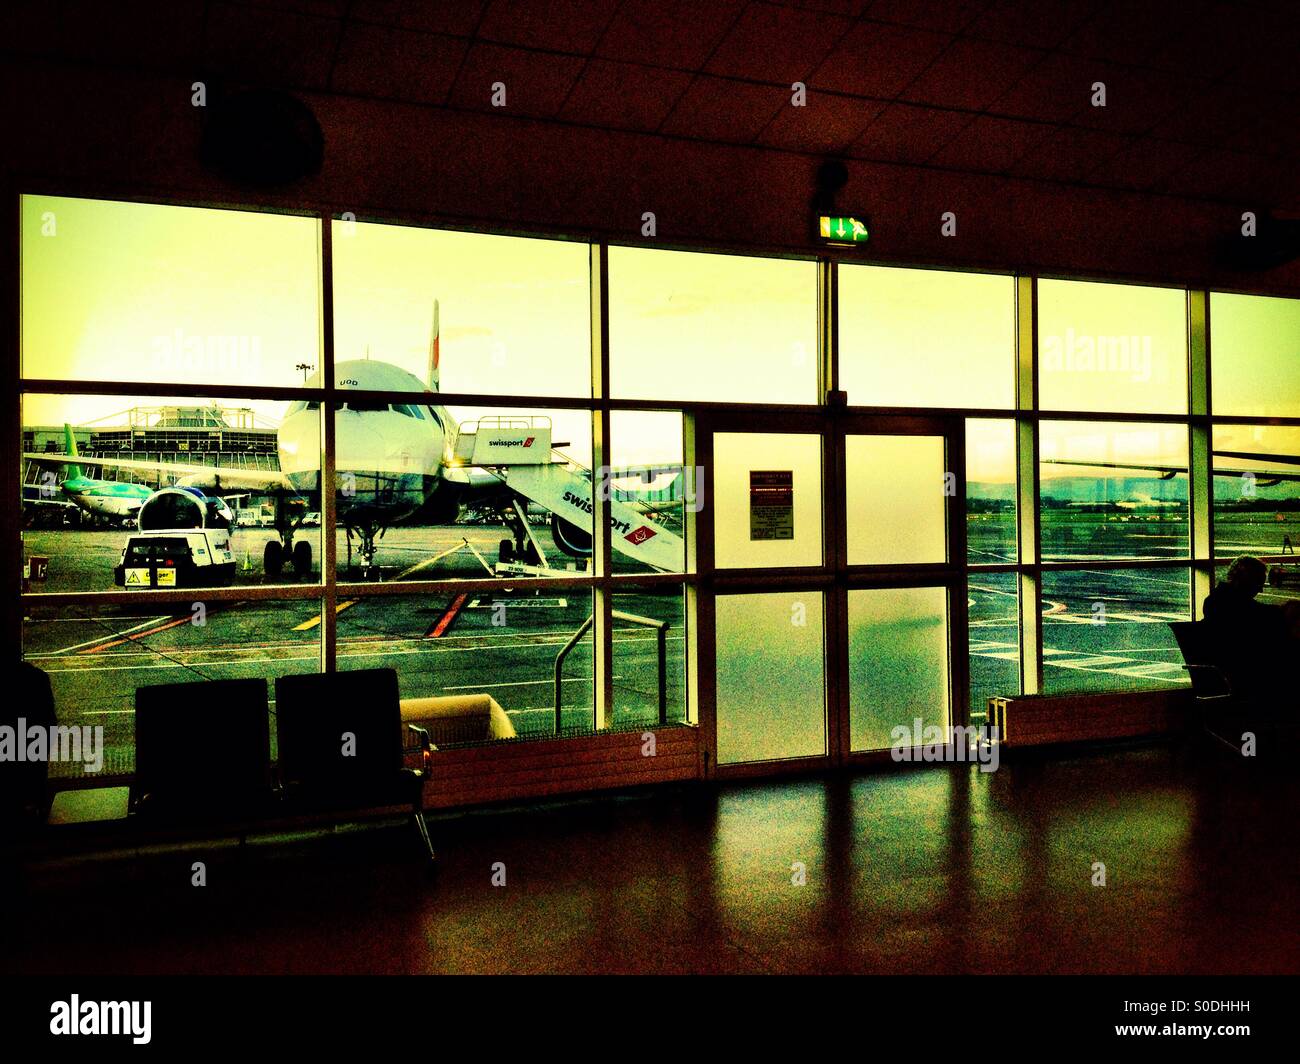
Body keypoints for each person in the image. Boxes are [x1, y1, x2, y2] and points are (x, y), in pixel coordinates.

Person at [1202, 557, 1288, 703]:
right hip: (1243, 674)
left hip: (1229, 671)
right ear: (1245, 581)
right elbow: (1258, 615)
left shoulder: (1215, 602)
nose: (1260, 589)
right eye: (1258, 583)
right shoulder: (1245, 610)